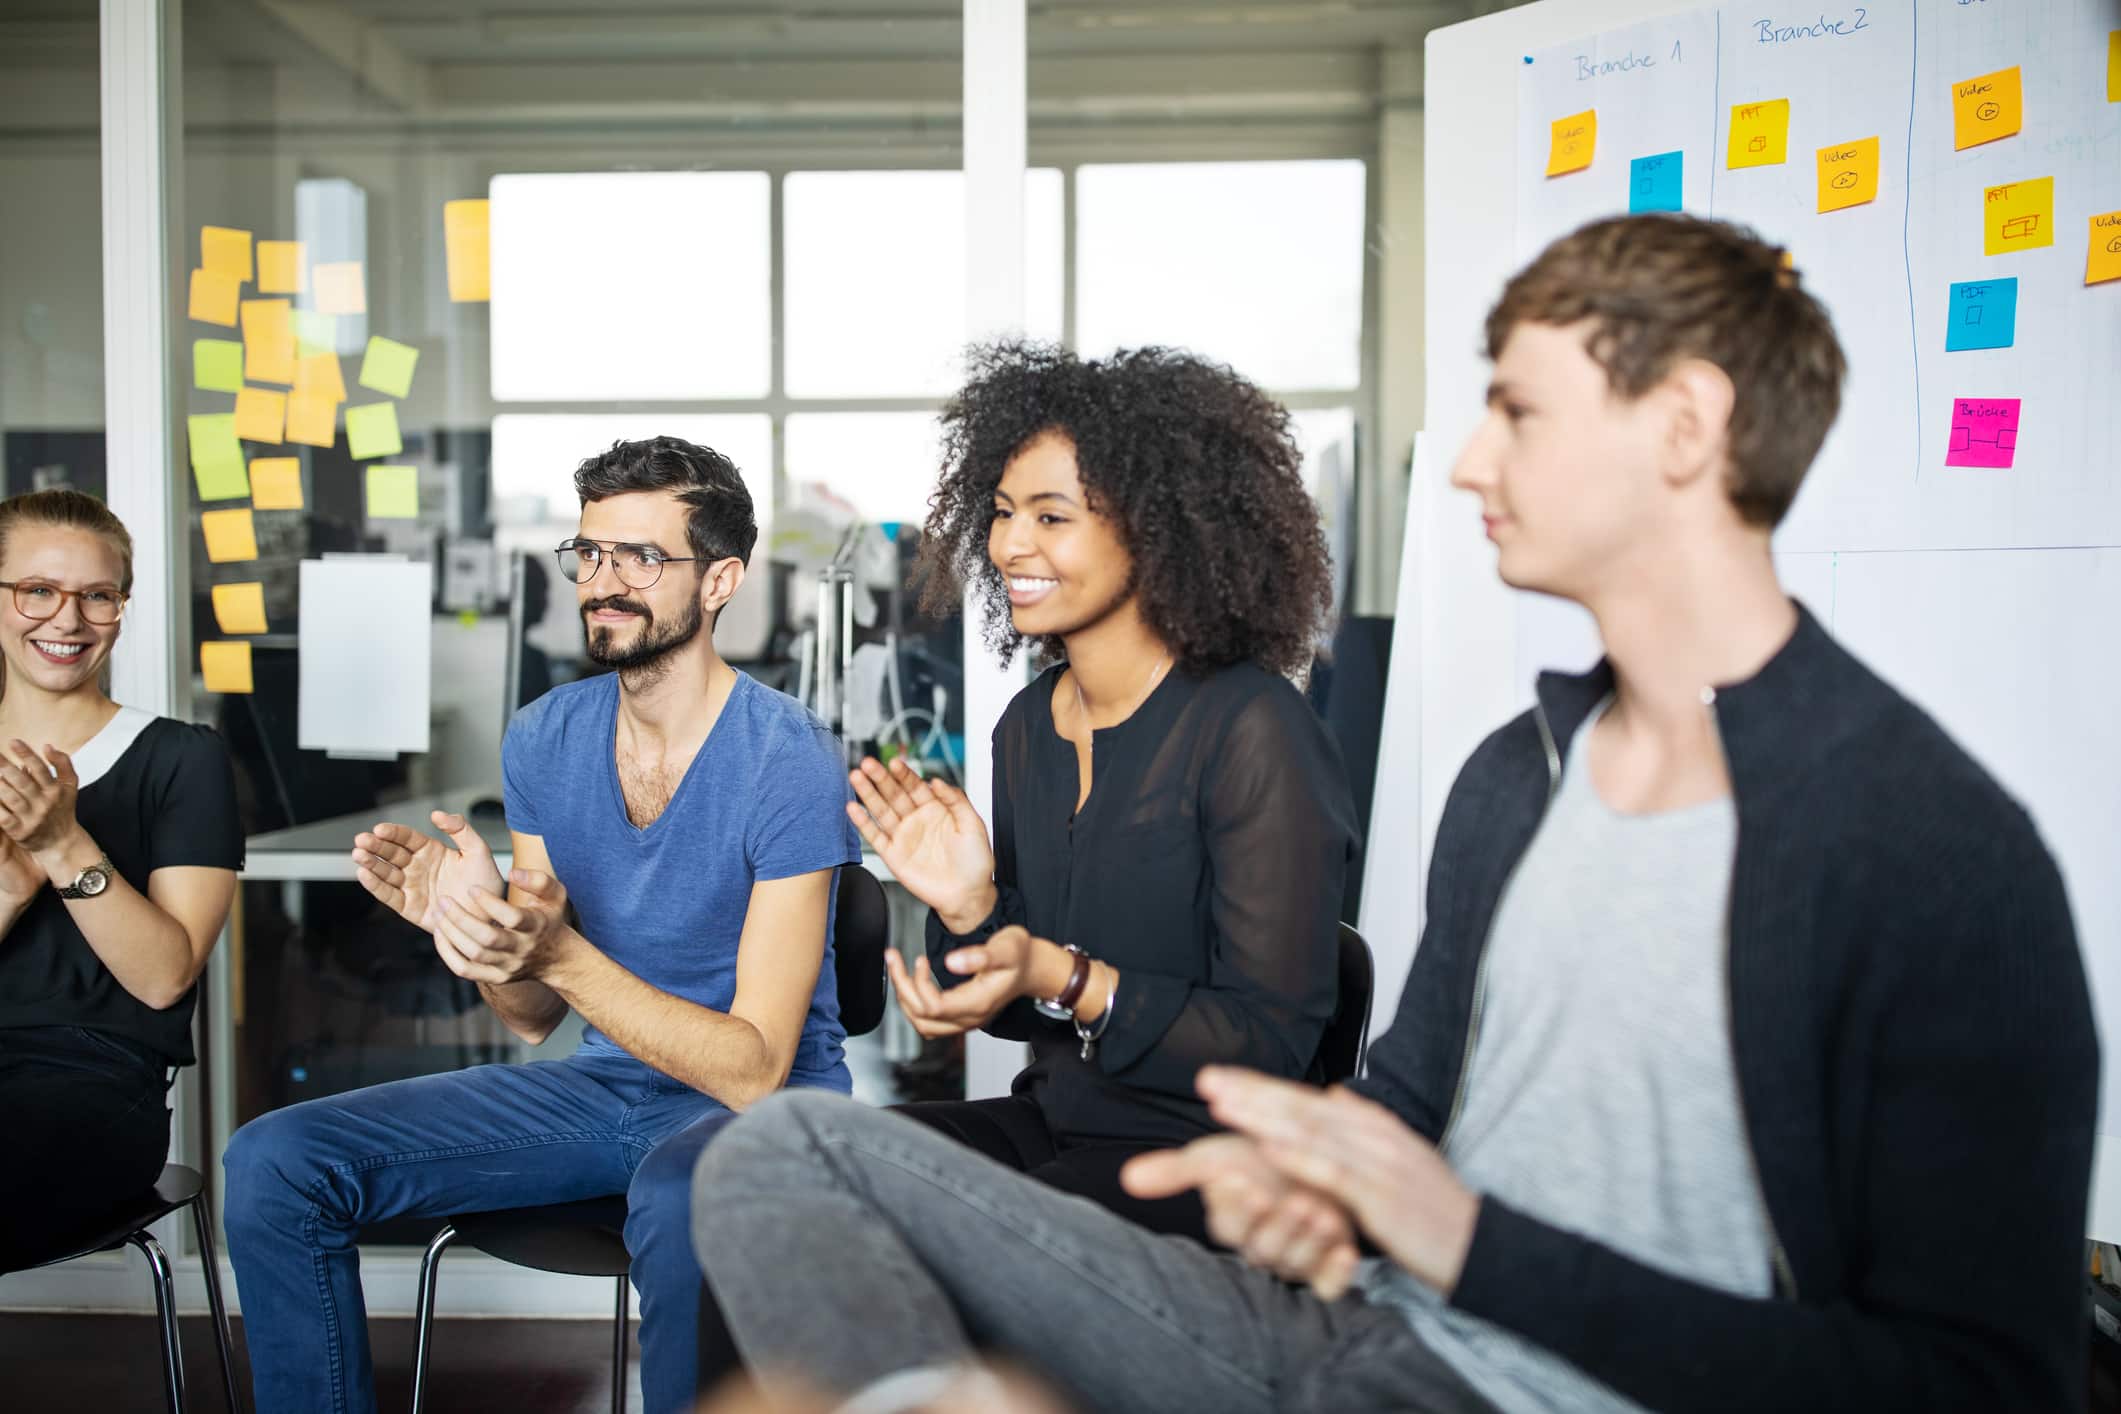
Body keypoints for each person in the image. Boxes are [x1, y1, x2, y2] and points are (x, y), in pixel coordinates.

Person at [690, 215, 2099, 1414]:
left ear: (1687, 427)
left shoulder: (1928, 849)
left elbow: (1983, 1377)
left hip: (1491, 1378)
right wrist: (1298, 1179)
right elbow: (1403, 1101)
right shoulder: (1523, 773)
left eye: (1518, 412)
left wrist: (1461, 1244)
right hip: (1347, 1327)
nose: (1470, 464)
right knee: (770, 1156)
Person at [224, 437, 859, 1414]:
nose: (604, 583)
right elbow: (527, 1012)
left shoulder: (790, 757)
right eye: (591, 553)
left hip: (760, 1111)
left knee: (683, 1194)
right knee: (275, 1160)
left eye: (641, 558)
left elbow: (753, 1068)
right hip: (602, 1090)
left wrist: (557, 950)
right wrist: (479, 933)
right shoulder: (544, 736)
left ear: (722, 580)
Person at [850, 340, 1359, 1235]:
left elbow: (1271, 1047)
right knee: (778, 1167)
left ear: (1158, 529)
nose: (1010, 545)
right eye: (1003, 513)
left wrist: (1063, 972)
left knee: (924, 1226)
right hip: (1053, 1128)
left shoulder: (1253, 730)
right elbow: (1018, 1024)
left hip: (1210, 1164)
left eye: (1052, 517)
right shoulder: (1027, 729)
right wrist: (972, 911)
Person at [0, 489, 242, 1270]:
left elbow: (165, 978)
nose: (66, 621)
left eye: (96, 596)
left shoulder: (182, 759)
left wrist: (62, 842)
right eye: (38, 590)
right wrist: (8, 892)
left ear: (120, 608)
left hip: (92, 1087)